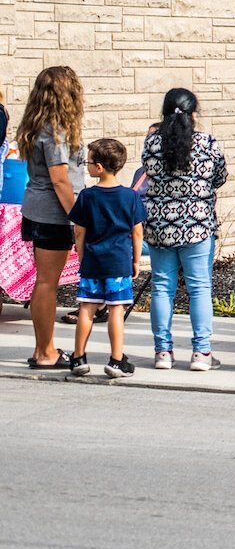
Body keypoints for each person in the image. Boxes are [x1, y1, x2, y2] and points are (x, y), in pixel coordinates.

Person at [142, 87, 228, 371]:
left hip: (159, 226)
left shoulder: (152, 143)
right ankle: (201, 353)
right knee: (199, 288)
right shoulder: (207, 143)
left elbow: (148, 173)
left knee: (162, 288)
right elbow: (219, 177)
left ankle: (162, 352)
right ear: (193, 114)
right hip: (197, 225)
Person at [15, 66, 87, 369]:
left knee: (46, 282)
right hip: (53, 215)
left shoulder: (38, 124)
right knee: (47, 283)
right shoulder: (55, 129)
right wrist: (78, 217)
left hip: (39, 210)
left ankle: (45, 349)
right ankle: (45, 352)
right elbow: (60, 180)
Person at [65, 138, 145, 378]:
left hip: (92, 261)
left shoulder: (88, 196)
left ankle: (78, 357)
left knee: (86, 308)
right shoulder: (130, 197)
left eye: (88, 162)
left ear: (99, 167)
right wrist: (136, 260)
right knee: (116, 310)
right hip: (118, 261)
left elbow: (79, 231)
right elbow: (137, 231)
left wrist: (81, 256)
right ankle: (117, 360)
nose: (86, 165)